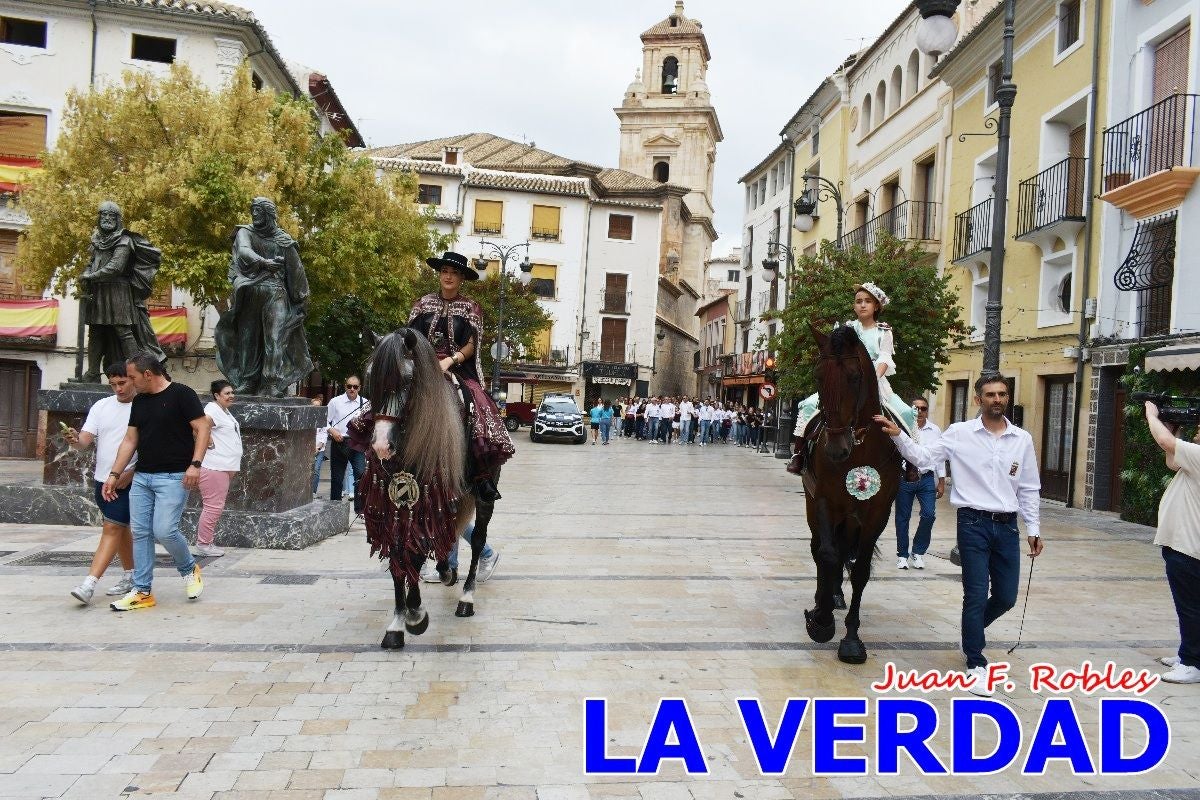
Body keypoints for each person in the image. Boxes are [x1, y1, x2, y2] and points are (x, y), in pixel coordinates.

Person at [875, 373, 1042, 696]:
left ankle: (971, 633)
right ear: (978, 400)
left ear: (1008, 398)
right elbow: (924, 459)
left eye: (1002, 394)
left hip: (1008, 526)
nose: (997, 399)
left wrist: (1033, 528)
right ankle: (976, 663)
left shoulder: (1021, 439)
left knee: (1006, 597)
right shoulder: (959, 433)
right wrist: (899, 436)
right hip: (972, 524)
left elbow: (1029, 487)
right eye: (990, 394)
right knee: (976, 593)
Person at [102, 352, 209, 611]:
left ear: (147, 374)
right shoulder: (139, 402)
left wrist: (195, 465)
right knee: (140, 533)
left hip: (173, 477)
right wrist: (114, 474)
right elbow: (130, 440)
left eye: (132, 377)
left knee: (164, 530)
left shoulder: (182, 394)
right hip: (142, 478)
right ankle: (142, 591)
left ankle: (188, 568)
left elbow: (203, 428)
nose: (128, 382)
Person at [407, 251, 515, 500]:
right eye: (445, 271)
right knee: (391, 397)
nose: (448, 276)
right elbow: (409, 338)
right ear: (439, 274)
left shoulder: (470, 308)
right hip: (421, 365)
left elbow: (471, 345)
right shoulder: (422, 303)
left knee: (478, 403)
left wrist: (449, 360)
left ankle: (480, 474)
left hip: (457, 366)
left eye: (454, 273)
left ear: (462, 279)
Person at [213, 196, 313, 398]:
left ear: (268, 214)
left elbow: (296, 270)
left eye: (258, 211)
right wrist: (265, 262)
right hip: (250, 292)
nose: (254, 215)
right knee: (247, 338)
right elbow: (243, 251)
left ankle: (271, 383)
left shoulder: (284, 240)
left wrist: (300, 298)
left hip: (276, 293)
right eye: (253, 211)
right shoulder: (245, 232)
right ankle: (248, 380)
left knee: (275, 339)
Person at [795, 282, 917, 442]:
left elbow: (885, 358)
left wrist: (872, 379)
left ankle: (910, 462)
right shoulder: (847, 328)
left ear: (876, 306)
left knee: (906, 413)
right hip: (845, 379)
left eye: (868, 301)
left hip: (876, 381)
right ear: (854, 307)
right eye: (858, 301)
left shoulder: (884, 331)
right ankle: (799, 453)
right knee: (808, 405)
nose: (863, 305)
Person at [64, 362, 138, 604]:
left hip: (128, 481)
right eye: (113, 384)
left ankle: (89, 584)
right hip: (102, 481)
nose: (118, 388)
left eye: (122, 383)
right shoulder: (101, 406)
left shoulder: (144, 407)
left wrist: (131, 473)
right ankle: (132, 576)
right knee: (120, 529)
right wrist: (75, 440)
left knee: (112, 528)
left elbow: (155, 446)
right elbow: (85, 440)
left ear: (133, 379)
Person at [1143, 400, 1200, 684]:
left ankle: (1192, 663)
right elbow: (1172, 459)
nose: (1198, 432)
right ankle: (1188, 652)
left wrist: (1152, 415)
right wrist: (1173, 431)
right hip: (1184, 544)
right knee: (1189, 605)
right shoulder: (1195, 457)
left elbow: (1165, 443)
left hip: (1189, 547)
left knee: (1190, 606)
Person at [78, 201, 166, 383]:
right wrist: (86, 273)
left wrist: (91, 276)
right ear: (99, 218)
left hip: (118, 292)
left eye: (111, 216)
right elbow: (90, 262)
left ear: (118, 220)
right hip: (99, 291)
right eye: (104, 215)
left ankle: (138, 372)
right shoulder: (95, 240)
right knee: (95, 332)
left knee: (124, 332)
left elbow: (116, 267)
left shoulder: (124, 240)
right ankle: (93, 373)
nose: (107, 219)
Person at [894, 397, 946, 570]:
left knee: (929, 515)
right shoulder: (902, 427)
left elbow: (939, 457)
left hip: (926, 478)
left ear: (927, 411)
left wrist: (941, 481)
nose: (919, 412)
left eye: (923, 408)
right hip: (904, 479)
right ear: (911, 410)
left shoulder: (935, 430)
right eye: (916, 408)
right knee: (903, 517)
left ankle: (918, 552)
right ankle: (902, 555)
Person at [195, 380, 243, 558]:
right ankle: (204, 544)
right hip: (215, 466)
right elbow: (198, 426)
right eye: (227, 393)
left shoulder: (223, 410)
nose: (231, 396)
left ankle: (206, 541)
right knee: (213, 507)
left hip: (225, 465)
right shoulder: (211, 410)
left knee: (215, 506)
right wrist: (208, 441)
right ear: (216, 395)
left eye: (232, 392)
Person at [327, 376, 368, 511]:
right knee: (337, 478)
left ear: (359, 388)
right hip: (339, 441)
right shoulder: (335, 402)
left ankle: (359, 509)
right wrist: (332, 430)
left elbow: (370, 425)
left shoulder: (366, 403)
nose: (352, 389)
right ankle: (334, 508)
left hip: (357, 443)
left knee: (360, 476)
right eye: (349, 386)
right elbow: (324, 420)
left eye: (355, 387)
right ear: (345, 386)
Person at [311, 395, 327, 495]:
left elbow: (324, 435)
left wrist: (318, 448)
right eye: (314, 406)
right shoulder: (306, 419)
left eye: (318, 406)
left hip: (319, 450)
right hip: (307, 449)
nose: (316, 408)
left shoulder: (322, 420)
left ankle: (313, 492)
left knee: (316, 470)